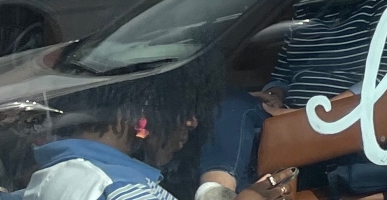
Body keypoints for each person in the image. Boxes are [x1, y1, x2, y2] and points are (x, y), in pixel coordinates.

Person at [194, 0, 387, 200]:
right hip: (291, 117)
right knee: (230, 102)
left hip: (345, 121)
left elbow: (382, 79)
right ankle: (215, 193)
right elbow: (284, 73)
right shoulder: (309, 12)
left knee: (254, 146)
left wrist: (308, 114)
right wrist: (275, 94)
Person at [4, 89, 291, 200]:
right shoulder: (122, 189)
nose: (192, 123)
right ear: (132, 117)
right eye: (181, 108)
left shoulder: (52, 175)